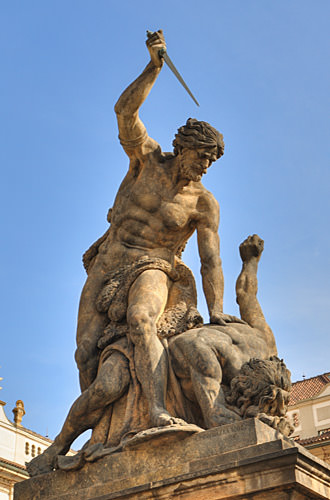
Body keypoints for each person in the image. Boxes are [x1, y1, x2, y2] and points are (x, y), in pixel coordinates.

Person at [74, 29, 241, 429]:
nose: (202, 167)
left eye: (209, 163)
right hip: (109, 262)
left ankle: (157, 410)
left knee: (141, 319)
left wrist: (216, 309)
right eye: (200, 157)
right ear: (182, 148)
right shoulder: (147, 161)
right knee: (84, 353)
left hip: (156, 266)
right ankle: (103, 430)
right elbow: (124, 114)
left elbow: (210, 260)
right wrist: (153, 67)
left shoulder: (203, 203)